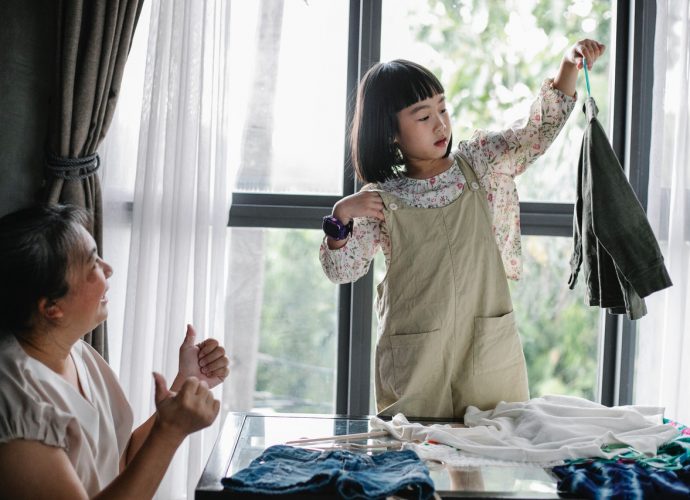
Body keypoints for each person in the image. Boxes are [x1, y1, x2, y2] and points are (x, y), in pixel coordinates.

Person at [320, 39, 606, 419]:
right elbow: (344, 270)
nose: (440, 123)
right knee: (414, 461)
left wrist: (568, 67)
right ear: (391, 133)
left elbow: (535, 135)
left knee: (484, 458)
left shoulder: (480, 163)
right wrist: (340, 218)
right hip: (417, 361)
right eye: (423, 117)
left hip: (484, 346)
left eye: (443, 108)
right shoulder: (381, 200)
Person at [0, 204, 230, 498]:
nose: (108, 269)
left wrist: (187, 382)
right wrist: (170, 432)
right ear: (51, 307)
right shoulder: (15, 402)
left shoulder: (79, 355)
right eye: (92, 264)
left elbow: (119, 464)